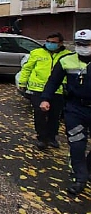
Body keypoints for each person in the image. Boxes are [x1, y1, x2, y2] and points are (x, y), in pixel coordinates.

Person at [40, 29, 91, 196]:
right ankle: (80, 178)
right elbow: (53, 82)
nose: (82, 47)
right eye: (79, 44)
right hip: (75, 109)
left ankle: (87, 167)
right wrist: (46, 98)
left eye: (86, 44)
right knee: (77, 144)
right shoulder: (66, 60)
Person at [18, 32, 72, 150]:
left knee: (54, 115)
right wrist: (22, 83)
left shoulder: (67, 55)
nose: (49, 44)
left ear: (60, 43)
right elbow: (27, 68)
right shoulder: (37, 53)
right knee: (40, 114)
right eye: (48, 42)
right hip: (37, 89)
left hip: (57, 91)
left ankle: (52, 137)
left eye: (53, 42)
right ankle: (42, 138)